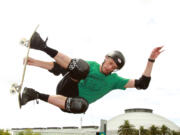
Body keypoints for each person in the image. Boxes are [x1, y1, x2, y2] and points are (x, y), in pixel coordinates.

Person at [20, 32, 164, 114]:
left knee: (83, 105)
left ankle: (33, 94)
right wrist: (35, 62)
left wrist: (151, 59)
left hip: (73, 104)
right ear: (106, 58)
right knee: (81, 67)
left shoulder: (115, 81)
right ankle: (41, 45)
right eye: (110, 63)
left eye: (113, 67)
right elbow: (62, 67)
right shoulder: (92, 66)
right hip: (67, 88)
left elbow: (142, 84)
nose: (110, 67)